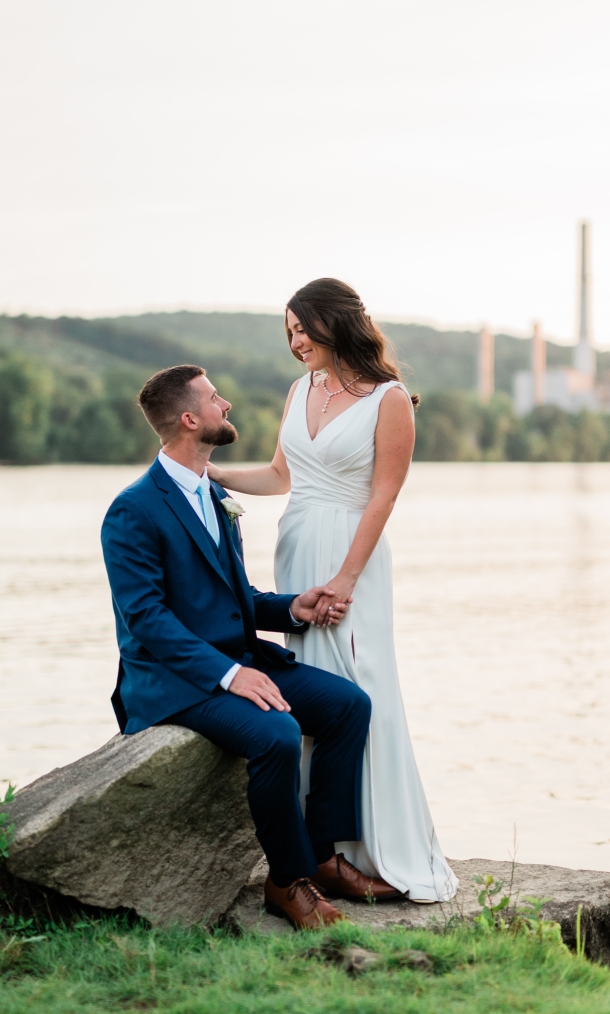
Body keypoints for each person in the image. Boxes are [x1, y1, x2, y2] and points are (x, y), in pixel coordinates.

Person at [102, 364, 389, 930]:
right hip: (171, 681)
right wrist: (232, 676)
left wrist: (291, 608)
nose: (226, 404)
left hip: (235, 662)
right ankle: (286, 882)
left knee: (347, 706)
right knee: (278, 734)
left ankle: (322, 857)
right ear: (189, 419)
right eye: (214, 398)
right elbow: (147, 621)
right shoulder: (133, 509)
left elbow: (235, 597)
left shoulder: (212, 492)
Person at [208, 278, 458, 903]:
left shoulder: (388, 398)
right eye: (287, 332)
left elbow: (384, 494)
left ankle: (369, 846)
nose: (295, 342)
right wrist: (205, 473)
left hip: (354, 556)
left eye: (302, 328)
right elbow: (280, 476)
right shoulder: (300, 391)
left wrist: (347, 576)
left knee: (359, 685)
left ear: (335, 322)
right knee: (304, 684)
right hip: (297, 549)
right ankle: (315, 851)